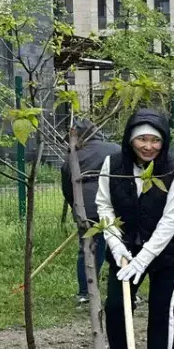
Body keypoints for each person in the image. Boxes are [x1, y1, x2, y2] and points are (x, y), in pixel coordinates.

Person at [96, 109, 174, 349]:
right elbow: (104, 206)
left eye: (155, 140)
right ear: (129, 140)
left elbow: (171, 220)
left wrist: (143, 259)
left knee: (161, 310)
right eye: (142, 140)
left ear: (164, 142)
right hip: (124, 249)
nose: (149, 146)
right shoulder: (113, 164)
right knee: (116, 308)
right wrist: (116, 246)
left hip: (168, 251)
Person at [63, 119, 119, 306]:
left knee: (87, 249)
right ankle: (123, 291)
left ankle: (85, 293)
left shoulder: (73, 155)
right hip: (112, 206)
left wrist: (77, 208)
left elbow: (67, 186)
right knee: (118, 246)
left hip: (85, 209)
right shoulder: (114, 149)